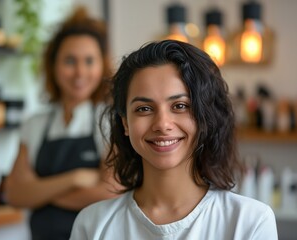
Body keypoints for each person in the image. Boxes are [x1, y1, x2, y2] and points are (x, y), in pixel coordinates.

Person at [70, 40, 278, 239]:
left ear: (203, 116)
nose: (162, 123)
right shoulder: (92, 224)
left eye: (180, 106)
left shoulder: (250, 222)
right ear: (125, 123)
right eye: (144, 109)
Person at [4, 7, 120, 240]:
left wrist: (39, 193)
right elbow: (14, 194)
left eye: (89, 61)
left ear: (102, 65)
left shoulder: (110, 121)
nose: (79, 72)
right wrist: (74, 179)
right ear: (53, 66)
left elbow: (111, 192)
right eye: (70, 60)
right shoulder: (34, 125)